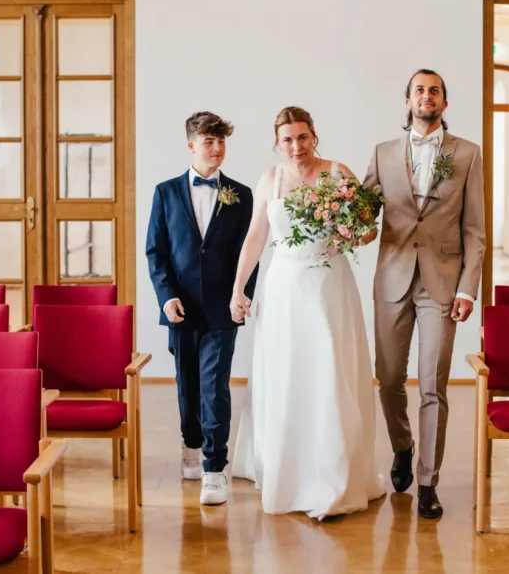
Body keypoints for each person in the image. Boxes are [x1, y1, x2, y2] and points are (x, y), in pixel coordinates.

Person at [229, 106, 386, 520]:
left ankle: (334, 474)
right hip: (283, 288)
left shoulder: (338, 173)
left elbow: (368, 228)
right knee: (288, 372)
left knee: (331, 370)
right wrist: (238, 288)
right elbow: (255, 237)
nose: (296, 146)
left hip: (329, 285)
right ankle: (288, 470)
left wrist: (351, 230)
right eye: (287, 139)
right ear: (277, 143)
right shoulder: (271, 179)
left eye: (302, 137)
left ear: (314, 136)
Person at [362, 69, 486, 519]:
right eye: (419, 90)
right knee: (390, 379)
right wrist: (339, 226)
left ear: (444, 103)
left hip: (443, 284)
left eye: (435, 91)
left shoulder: (467, 154)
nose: (426, 96)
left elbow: (475, 231)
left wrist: (468, 289)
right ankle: (402, 445)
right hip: (392, 280)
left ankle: (428, 481)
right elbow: (361, 215)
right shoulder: (382, 153)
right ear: (408, 100)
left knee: (433, 384)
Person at [145, 111, 257, 505]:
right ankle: (191, 443)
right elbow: (156, 253)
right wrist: (166, 296)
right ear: (191, 145)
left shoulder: (241, 194)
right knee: (187, 384)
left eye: (221, 141)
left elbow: (251, 251)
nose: (217, 149)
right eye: (209, 142)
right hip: (181, 308)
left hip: (224, 308)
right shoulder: (165, 192)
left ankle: (214, 466)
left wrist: (242, 295)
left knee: (214, 385)